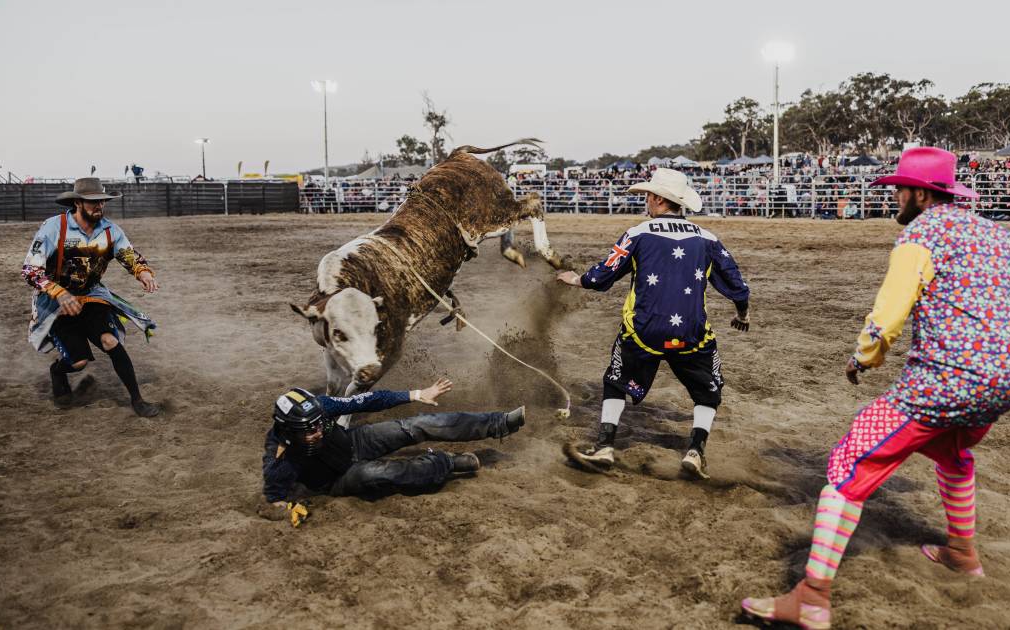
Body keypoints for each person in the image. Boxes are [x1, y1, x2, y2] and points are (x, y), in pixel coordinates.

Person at [740, 147, 1010, 628]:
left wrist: (865, 356)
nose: (894, 198)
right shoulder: (998, 235)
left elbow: (891, 309)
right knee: (952, 452)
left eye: (899, 189)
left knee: (849, 462)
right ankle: (962, 552)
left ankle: (812, 595)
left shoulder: (920, 236)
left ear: (920, 193)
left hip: (947, 379)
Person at [556, 168, 750, 479]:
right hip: (691, 333)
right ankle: (696, 451)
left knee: (616, 381)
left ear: (659, 199)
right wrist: (742, 314)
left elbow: (604, 273)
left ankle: (605, 446)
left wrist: (577, 279)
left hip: (644, 330)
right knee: (708, 391)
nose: (646, 200)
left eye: (648, 195)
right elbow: (737, 284)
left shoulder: (638, 233)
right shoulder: (707, 239)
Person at [262, 377, 525, 526]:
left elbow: (367, 400)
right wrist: (286, 508)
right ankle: (446, 463)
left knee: (416, 424)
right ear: (288, 432)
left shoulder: (322, 406)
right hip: (337, 479)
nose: (318, 430)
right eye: (309, 430)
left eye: (319, 424)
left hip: (354, 442)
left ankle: (497, 423)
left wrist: (417, 393)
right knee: (380, 472)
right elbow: (274, 498)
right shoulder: (279, 456)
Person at [22, 177, 162, 417]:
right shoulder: (53, 228)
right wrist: (59, 292)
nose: (99, 207)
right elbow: (30, 270)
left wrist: (143, 272)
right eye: (93, 202)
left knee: (110, 341)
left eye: (102, 202)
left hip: (91, 295)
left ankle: (137, 400)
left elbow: (129, 256)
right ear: (77, 202)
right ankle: (58, 371)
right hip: (56, 302)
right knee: (78, 363)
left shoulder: (110, 230)